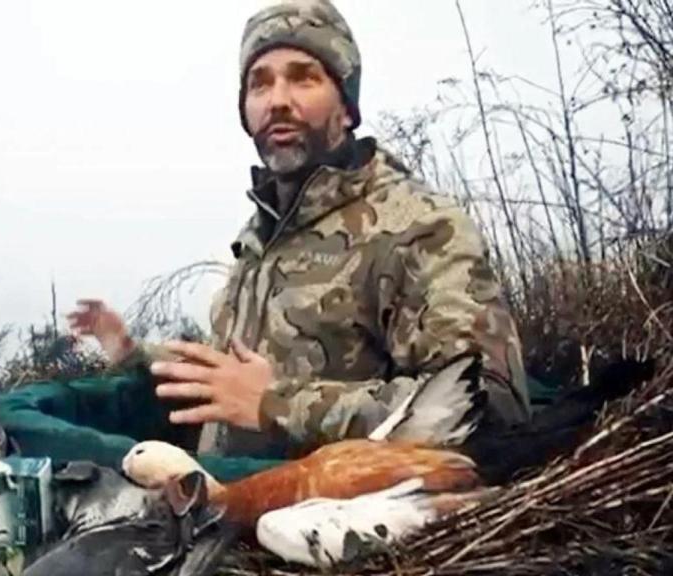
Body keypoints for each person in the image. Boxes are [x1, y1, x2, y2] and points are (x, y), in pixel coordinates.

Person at [68, 0, 530, 459]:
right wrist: (132, 354)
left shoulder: (421, 227)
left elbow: (492, 409)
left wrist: (279, 406)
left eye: (304, 77)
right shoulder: (258, 243)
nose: (278, 101)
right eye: (259, 84)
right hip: (223, 518)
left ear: (346, 107)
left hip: (347, 527)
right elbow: (226, 387)